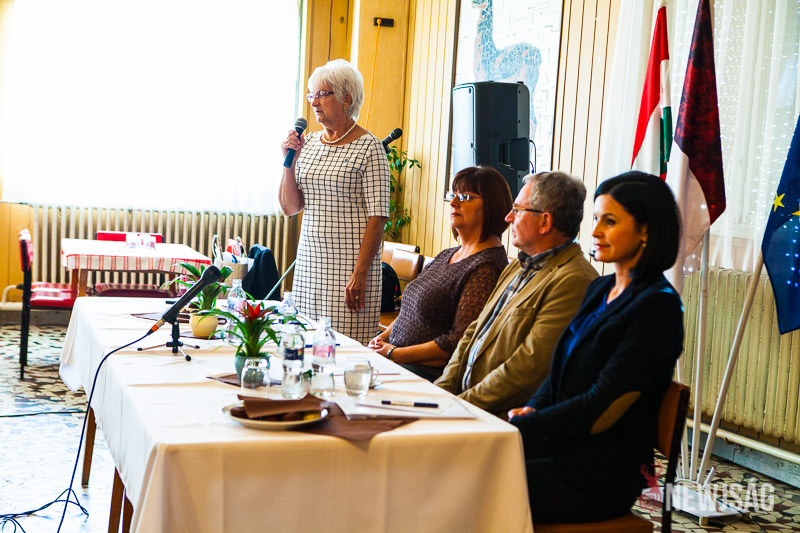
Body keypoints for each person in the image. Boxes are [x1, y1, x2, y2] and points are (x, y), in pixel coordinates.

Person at [508, 171, 684, 524]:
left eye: (610, 221)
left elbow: (604, 403)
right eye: (596, 219)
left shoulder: (658, 306)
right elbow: (560, 371)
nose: (595, 231)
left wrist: (532, 426)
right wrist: (532, 409)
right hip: (560, 448)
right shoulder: (600, 289)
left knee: (474, 483)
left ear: (646, 230)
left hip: (597, 474)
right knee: (463, 467)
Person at [436, 171, 597, 415]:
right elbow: (474, 331)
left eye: (517, 210)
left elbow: (528, 368)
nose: (508, 217)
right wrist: (441, 392)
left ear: (545, 222)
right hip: (461, 404)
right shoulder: (518, 265)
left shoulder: (574, 280)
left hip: (500, 418)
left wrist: (459, 405)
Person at [279, 59, 389, 345]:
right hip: (309, 267)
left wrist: (359, 274)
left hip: (348, 273)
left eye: (322, 94)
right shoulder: (308, 144)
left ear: (346, 99)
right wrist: (289, 164)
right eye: (311, 95)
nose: (314, 102)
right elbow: (290, 207)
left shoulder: (370, 148)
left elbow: (378, 217)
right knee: (305, 346)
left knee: (343, 351)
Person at [367, 166, 512, 381]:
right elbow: (408, 313)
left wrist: (393, 353)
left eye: (465, 197)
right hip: (396, 360)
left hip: (424, 375)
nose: (453, 202)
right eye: (453, 195)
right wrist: (381, 340)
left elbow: (456, 344)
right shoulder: (448, 254)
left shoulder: (486, 268)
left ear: (492, 206)